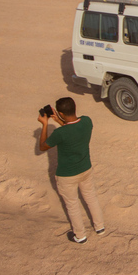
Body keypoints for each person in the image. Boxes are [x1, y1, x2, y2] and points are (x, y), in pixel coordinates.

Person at [37, 97, 104, 244]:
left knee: (72, 204)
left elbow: (42, 147)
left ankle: (80, 236)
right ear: (74, 107)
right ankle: (100, 227)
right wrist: (60, 120)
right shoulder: (87, 121)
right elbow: (72, 128)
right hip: (86, 169)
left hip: (67, 175)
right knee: (91, 197)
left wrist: (45, 124)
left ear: (60, 112)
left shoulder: (60, 134)